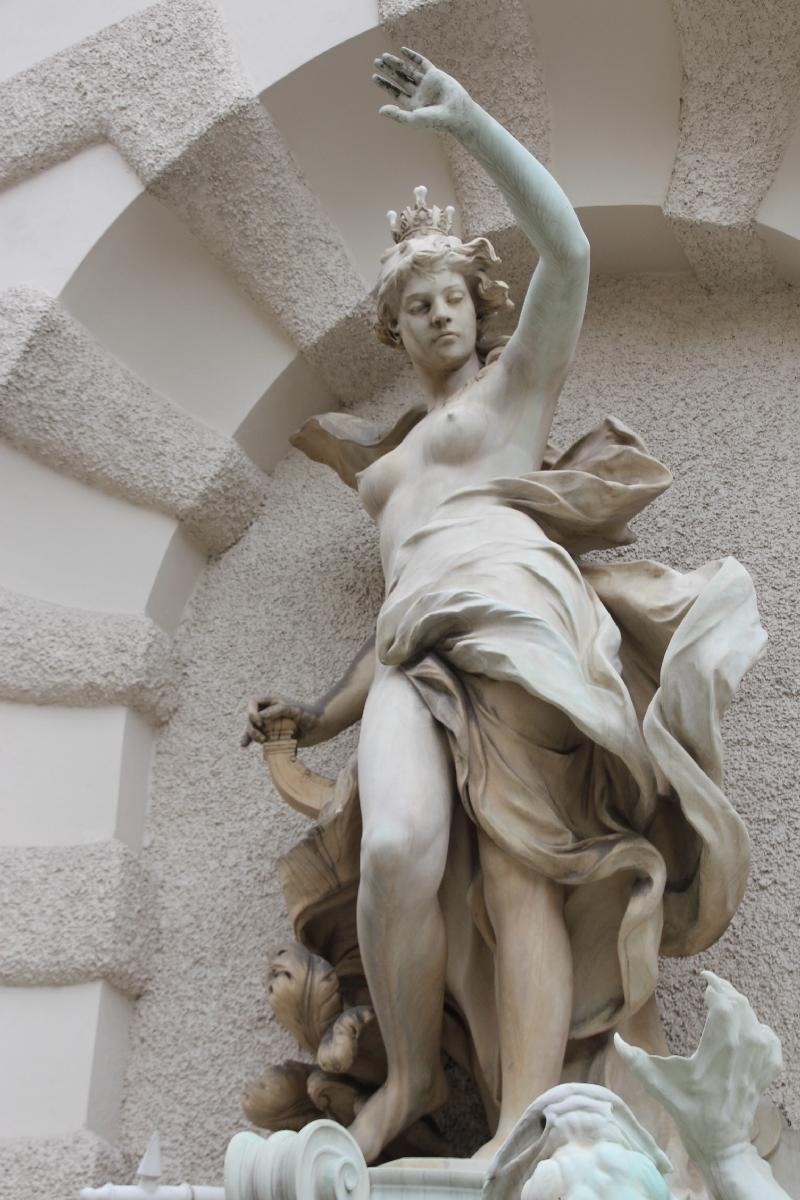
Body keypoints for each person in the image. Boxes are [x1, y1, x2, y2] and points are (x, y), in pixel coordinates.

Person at [243, 48, 765, 1167]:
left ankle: (525, 1119)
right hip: (408, 651)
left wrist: (470, 123)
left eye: (451, 298)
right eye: (414, 305)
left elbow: (567, 252)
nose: (437, 315)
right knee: (397, 850)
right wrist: (321, 715)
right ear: (392, 330)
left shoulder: (511, 394)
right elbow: (403, 595)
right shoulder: (384, 477)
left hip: (519, 630)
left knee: (528, 870)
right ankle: (416, 1073)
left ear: (480, 311)